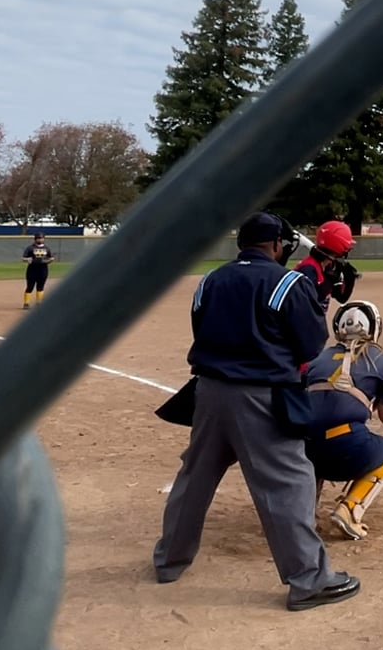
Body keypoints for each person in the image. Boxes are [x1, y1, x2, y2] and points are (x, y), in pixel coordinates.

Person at [152, 212, 360, 611]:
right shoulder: (287, 283)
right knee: (288, 482)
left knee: (195, 478)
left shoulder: (211, 280)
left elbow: (200, 328)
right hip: (261, 396)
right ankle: (309, 580)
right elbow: (310, 345)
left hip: (208, 392)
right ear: (277, 245)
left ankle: (169, 561)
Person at [303, 300, 383, 541]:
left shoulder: (317, 358)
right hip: (345, 447)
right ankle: (349, 510)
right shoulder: (379, 359)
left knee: (316, 437)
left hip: (304, 448)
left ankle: (303, 514)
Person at [294, 221, 361, 309]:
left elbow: (341, 298)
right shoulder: (308, 270)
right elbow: (301, 305)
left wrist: (349, 280)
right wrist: (326, 284)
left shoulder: (329, 266)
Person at [20, 232, 55, 309]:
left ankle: (39, 303)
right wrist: (28, 259)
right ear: (35, 239)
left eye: (41, 238)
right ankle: (26, 303)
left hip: (43, 270)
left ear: (44, 239)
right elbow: (23, 258)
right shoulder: (30, 248)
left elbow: (51, 258)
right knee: (30, 287)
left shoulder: (47, 248)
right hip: (32, 270)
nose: (40, 239)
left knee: (40, 287)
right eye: (38, 238)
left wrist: (50, 260)